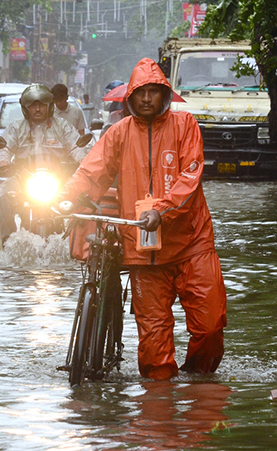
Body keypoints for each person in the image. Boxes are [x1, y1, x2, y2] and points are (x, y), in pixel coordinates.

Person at [57, 58, 227, 380]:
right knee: (155, 351)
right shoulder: (119, 133)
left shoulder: (185, 125)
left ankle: (197, 381)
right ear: (130, 98)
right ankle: (159, 406)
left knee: (210, 326)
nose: (147, 98)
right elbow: (91, 172)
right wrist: (64, 196)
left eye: (153, 91)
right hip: (144, 251)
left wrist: (161, 209)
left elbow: (191, 175)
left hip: (192, 242)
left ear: (164, 95)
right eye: (141, 93)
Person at [0, 84, 83, 250]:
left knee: (86, 196)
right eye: (33, 106)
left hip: (59, 178)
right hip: (24, 178)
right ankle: (8, 243)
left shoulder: (62, 126)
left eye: (41, 105)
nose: (38, 109)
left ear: (49, 106)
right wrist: (3, 161)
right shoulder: (16, 127)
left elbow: (77, 146)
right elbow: (4, 147)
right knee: (0, 195)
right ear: (26, 108)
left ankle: (81, 244)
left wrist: (83, 161)